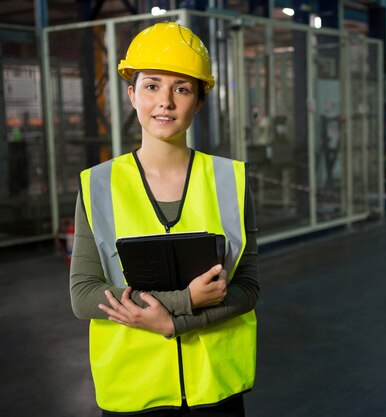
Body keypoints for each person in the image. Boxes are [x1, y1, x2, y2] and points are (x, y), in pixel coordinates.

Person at [69, 22, 259, 417]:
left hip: (216, 388)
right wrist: (185, 301)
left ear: (199, 101)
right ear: (131, 95)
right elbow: (84, 294)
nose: (166, 102)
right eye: (152, 85)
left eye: (182, 88)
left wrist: (176, 325)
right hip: (134, 390)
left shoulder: (230, 180)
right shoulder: (98, 185)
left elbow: (249, 288)